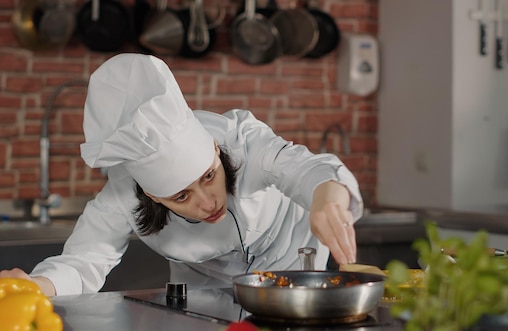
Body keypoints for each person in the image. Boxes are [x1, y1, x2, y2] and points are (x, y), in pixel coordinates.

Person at [0, 53, 363, 296]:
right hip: (203, 289)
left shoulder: (243, 141)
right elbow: (84, 261)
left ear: (216, 152)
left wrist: (327, 197)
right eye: (181, 196)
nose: (208, 203)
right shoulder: (124, 194)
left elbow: (310, 169)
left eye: (208, 176)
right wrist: (35, 285)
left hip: (288, 263)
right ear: (153, 196)